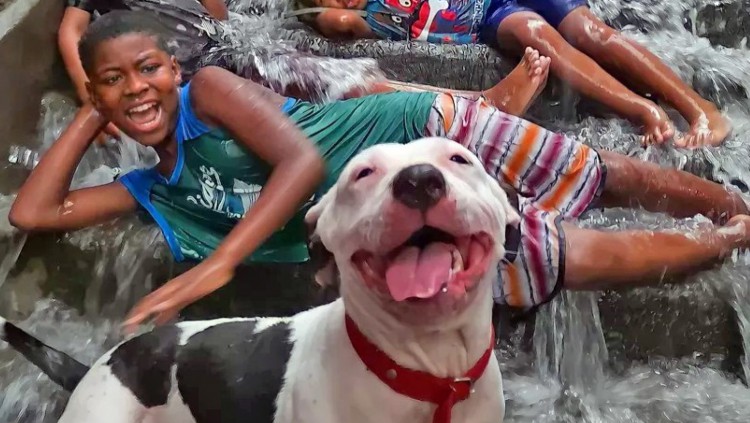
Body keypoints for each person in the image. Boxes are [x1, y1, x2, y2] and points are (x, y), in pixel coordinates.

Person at [9, 11, 750, 331]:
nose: (136, 88)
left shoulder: (209, 92)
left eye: (147, 70)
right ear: (94, 89)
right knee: (551, 258)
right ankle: (725, 241)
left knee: (593, 173)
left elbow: (299, 162)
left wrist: (220, 265)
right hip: (389, 213)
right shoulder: (153, 187)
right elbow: (33, 215)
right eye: (114, 81)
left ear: (174, 70)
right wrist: (90, 113)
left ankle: (729, 207)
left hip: (425, 128)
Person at [296, 0, 731, 149]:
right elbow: (329, 20)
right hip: (492, 18)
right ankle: (642, 110)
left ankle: (700, 108)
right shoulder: (357, 18)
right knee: (534, 32)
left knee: (588, 30)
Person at [60, 0, 229, 143]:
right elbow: (72, 30)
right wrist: (94, 103)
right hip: (162, 69)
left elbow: (215, 9)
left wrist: (226, 35)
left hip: (211, 50)